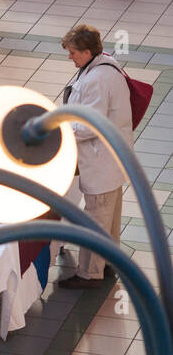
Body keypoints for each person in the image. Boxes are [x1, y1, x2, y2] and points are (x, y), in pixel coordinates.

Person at [58, 26, 133, 290]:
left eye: (73, 52)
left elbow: (91, 126)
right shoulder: (107, 64)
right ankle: (110, 260)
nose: (70, 57)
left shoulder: (96, 79)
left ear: (88, 51)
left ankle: (90, 273)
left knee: (96, 218)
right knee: (109, 214)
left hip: (101, 161)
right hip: (112, 158)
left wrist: (61, 131)